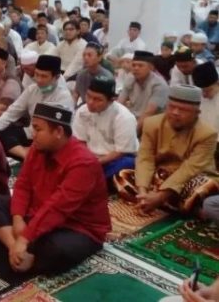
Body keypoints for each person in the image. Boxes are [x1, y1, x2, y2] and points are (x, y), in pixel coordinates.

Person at [0, 103, 110, 275]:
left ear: (58, 132)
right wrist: (18, 219)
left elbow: (58, 208)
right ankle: (16, 251)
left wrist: (25, 237)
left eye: (38, 129)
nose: (32, 134)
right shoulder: (38, 148)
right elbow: (23, 185)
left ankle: (25, 253)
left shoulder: (83, 163)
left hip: (76, 226)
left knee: (56, 250)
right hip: (38, 211)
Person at [115, 85, 219, 216]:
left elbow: (189, 170)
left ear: (197, 113)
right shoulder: (152, 124)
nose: (175, 112)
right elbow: (145, 159)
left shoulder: (207, 134)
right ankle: (155, 202)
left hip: (192, 179)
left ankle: (165, 202)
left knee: (202, 187)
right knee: (122, 175)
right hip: (161, 175)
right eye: (171, 107)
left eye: (183, 110)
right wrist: (142, 191)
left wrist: (160, 196)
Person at [0, 55, 74, 159]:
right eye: (37, 74)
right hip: (31, 133)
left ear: (56, 77)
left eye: (44, 76)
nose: (38, 80)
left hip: (49, 139)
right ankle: (26, 155)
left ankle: (31, 156)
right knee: (2, 132)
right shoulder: (32, 90)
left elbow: (59, 133)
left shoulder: (64, 97)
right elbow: (11, 112)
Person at [72, 77, 138, 180]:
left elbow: (121, 151)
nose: (90, 102)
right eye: (88, 96)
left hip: (114, 160)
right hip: (89, 157)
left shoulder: (124, 117)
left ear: (111, 100)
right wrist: (85, 159)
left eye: (97, 99)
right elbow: (80, 141)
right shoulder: (83, 111)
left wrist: (95, 163)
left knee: (127, 163)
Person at [118, 51, 169, 131]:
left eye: (140, 65)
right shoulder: (131, 77)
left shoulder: (159, 85)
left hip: (152, 124)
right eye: (134, 65)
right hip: (132, 119)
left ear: (151, 67)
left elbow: (149, 113)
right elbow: (119, 104)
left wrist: (132, 132)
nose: (136, 68)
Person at [192, 61, 219, 132]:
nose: (204, 95)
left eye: (207, 90)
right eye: (201, 91)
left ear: (217, 83)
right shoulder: (198, 97)